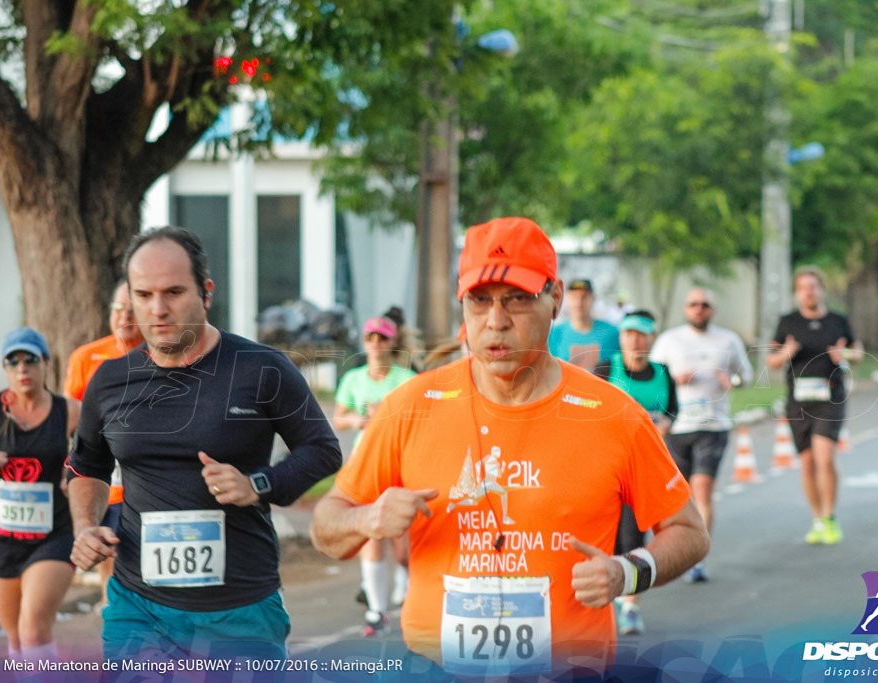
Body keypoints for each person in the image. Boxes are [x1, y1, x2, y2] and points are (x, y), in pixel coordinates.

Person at [310, 216, 709, 677]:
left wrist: (627, 571)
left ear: (555, 298)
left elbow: (689, 532)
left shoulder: (613, 414)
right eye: (479, 301)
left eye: (517, 299)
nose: (496, 321)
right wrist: (367, 517)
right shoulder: (410, 406)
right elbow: (327, 526)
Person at [66, 226, 342, 663]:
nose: (158, 309)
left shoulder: (260, 368)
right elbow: (86, 467)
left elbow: (322, 449)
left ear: (206, 292)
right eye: (144, 295)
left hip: (239, 609)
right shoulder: (110, 381)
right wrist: (85, 526)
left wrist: (259, 484)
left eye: (174, 292)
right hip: (139, 606)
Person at [0, 328, 80, 662]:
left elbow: (98, 460)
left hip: (55, 534)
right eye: (13, 361)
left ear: (47, 363)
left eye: (31, 359)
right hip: (2, 536)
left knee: (34, 629)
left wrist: (74, 474)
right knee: (17, 639)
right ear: (5, 368)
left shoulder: (71, 411)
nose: (22, 369)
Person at [650, 287, 754, 581]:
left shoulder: (728, 339)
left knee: (703, 489)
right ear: (686, 309)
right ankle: (684, 549)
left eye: (705, 305)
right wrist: (673, 379)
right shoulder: (670, 340)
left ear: (713, 310)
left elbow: (744, 376)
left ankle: (697, 559)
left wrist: (729, 379)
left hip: (713, 425)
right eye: (694, 304)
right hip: (678, 427)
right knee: (681, 496)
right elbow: (654, 376)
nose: (699, 309)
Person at [593, 310, 677, 636]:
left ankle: (630, 607)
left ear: (651, 338)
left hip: (641, 470)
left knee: (633, 538)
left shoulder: (662, 373)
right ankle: (612, 590)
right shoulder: (605, 370)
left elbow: (673, 411)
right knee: (608, 539)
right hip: (603, 469)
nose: (634, 340)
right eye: (628, 333)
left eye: (641, 334)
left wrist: (665, 424)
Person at [767, 266, 863, 545]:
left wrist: (844, 354)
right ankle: (817, 518)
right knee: (807, 463)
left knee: (825, 457)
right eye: (803, 287)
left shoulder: (838, 321)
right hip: (798, 401)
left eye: (813, 286)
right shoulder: (788, 322)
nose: (809, 292)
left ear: (822, 289)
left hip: (830, 397)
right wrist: (785, 353)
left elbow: (857, 352)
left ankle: (831, 517)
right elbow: (771, 360)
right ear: (798, 293)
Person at [63, 279, 144, 612]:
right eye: (119, 309)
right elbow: (68, 417)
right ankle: (113, 608)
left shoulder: (160, 355)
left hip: (143, 479)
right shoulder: (88, 357)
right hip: (104, 479)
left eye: (132, 311)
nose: (125, 317)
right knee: (108, 550)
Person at [333, 316, 417, 635]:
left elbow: (418, 419)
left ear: (392, 342)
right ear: (364, 342)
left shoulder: (406, 378)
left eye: (382, 338)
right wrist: (357, 419)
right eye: (370, 337)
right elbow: (339, 418)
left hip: (401, 461)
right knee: (370, 530)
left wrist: (387, 420)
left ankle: (405, 582)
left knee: (402, 545)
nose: (376, 343)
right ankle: (376, 611)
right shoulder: (354, 379)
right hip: (366, 461)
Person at [548, 278, 620, 371]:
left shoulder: (612, 333)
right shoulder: (554, 334)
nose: (579, 303)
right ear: (566, 300)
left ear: (593, 299)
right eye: (574, 297)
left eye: (584, 297)